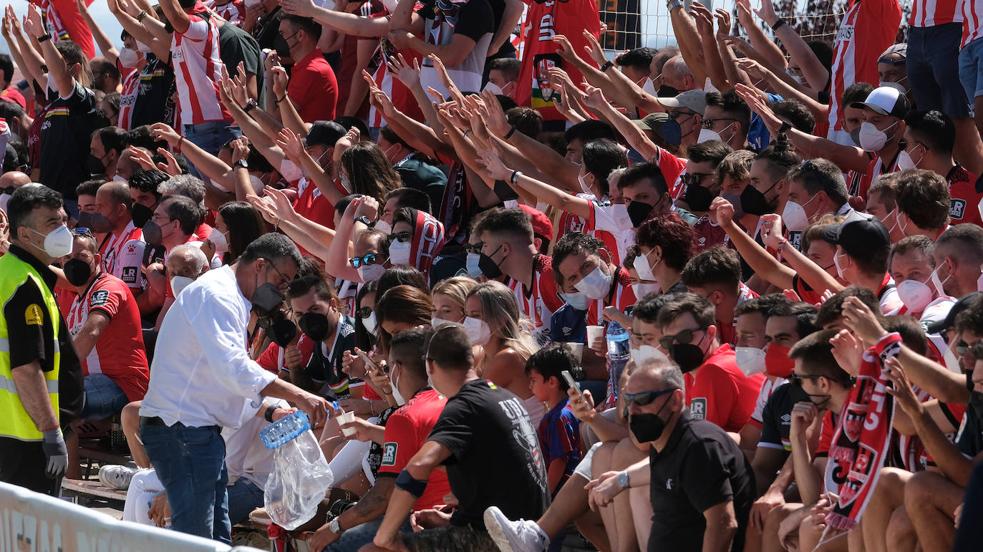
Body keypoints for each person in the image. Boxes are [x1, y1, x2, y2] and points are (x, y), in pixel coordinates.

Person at [138, 233, 332, 542]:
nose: (282, 292)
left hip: (196, 431)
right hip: (183, 431)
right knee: (197, 539)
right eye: (282, 281)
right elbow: (234, 370)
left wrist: (272, 409)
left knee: (215, 536)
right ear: (259, 265)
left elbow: (227, 380)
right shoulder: (218, 295)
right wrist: (299, 394)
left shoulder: (227, 296)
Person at [369, 324, 548, 551]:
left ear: (430, 366)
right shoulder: (502, 395)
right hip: (530, 529)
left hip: (501, 539)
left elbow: (419, 465)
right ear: (470, 361)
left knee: (374, 549)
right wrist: (451, 519)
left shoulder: (462, 407)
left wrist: (385, 537)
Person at [584, 357, 755, 552]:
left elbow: (723, 525)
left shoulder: (699, 446)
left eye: (643, 399)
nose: (632, 410)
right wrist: (620, 480)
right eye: (628, 400)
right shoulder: (667, 440)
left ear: (676, 400)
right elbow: (661, 467)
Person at [306, 327, 451, 551]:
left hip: (425, 520)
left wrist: (334, 528)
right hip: (450, 514)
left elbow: (380, 498)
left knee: (332, 545)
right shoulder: (447, 400)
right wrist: (373, 432)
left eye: (388, 367)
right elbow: (420, 446)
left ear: (398, 369)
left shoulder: (405, 416)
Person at [0, 185, 82, 496]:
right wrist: (50, 432)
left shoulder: (10, 272)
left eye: (63, 220)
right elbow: (26, 367)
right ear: (23, 233)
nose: (63, 230)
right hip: (26, 436)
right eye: (51, 223)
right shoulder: (25, 285)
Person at [656, 292, 763, 432]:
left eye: (684, 337)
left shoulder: (713, 371)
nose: (676, 345)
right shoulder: (691, 373)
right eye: (668, 341)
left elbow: (699, 438)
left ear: (710, 333)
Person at [159, 0, 238, 156]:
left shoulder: (200, 23)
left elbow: (175, 16)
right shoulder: (185, 26)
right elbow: (153, 25)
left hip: (211, 122)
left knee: (213, 181)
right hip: (196, 123)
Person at [526, 345, 582, 496]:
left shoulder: (559, 417)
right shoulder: (570, 407)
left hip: (562, 492)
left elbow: (559, 461)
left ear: (552, 382)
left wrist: (545, 496)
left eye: (533, 380)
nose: (530, 386)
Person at [279, 15, 338, 122]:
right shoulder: (305, 65)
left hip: (308, 138)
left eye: (282, 34)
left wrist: (268, 76)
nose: (279, 39)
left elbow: (277, 118)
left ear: (300, 35)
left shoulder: (311, 70)